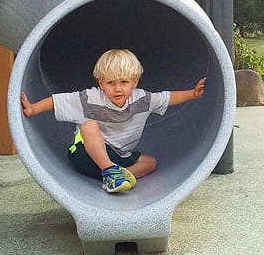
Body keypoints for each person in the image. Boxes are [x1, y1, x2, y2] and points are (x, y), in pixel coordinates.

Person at [21, 49, 205, 193]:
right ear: (101, 83)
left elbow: (167, 97)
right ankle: (110, 171)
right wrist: (33, 108)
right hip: (84, 153)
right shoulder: (90, 98)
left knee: (150, 163)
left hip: (119, 155)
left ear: (135, 82)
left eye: (124, 82)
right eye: (110, 83)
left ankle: (118, 177)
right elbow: (57, 101)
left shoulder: (143, 100)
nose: (118, 89)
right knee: (89, 125)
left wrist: (192, 94)